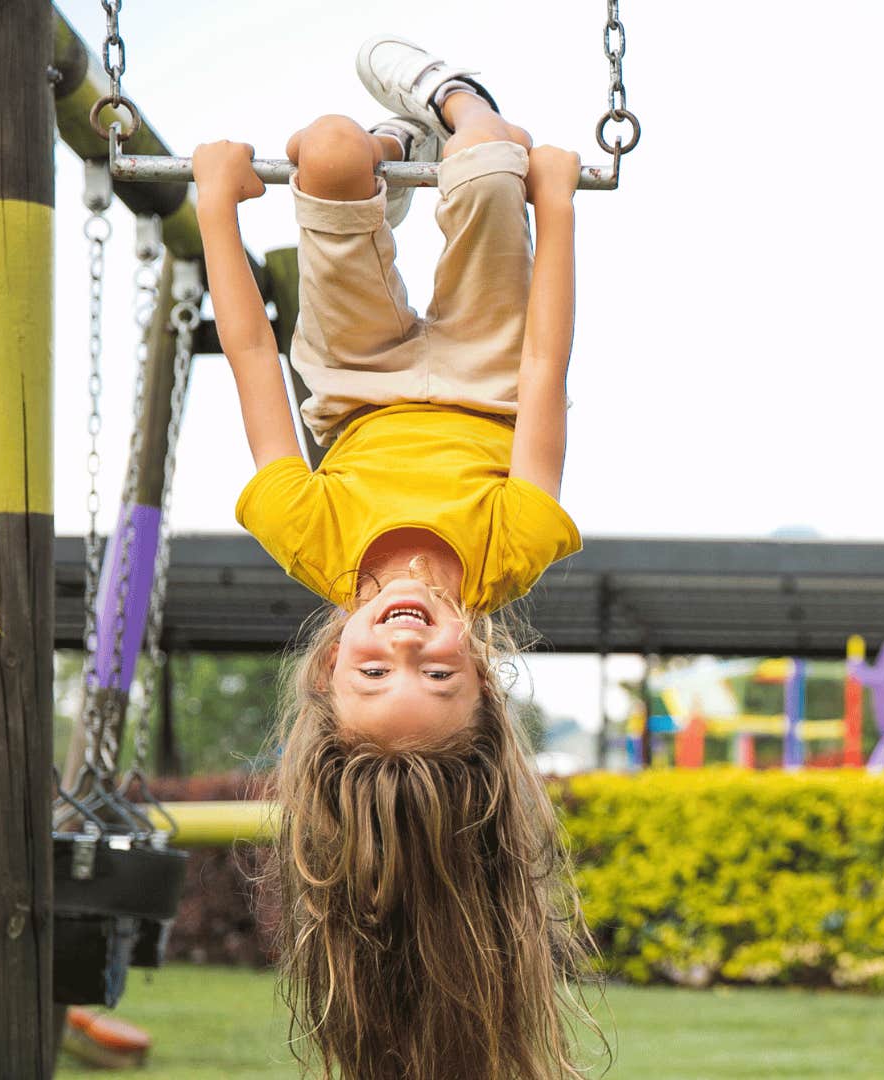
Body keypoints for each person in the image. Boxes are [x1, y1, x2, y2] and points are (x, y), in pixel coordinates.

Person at [193, 35, 594, 1080]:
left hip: (357, 376)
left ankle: (380, 158)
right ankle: (454, 107)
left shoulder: (311, 540)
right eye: (441, 674)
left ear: (330, 667)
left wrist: (217, 208)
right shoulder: (513, 549)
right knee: (499, 156)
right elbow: (547, 367)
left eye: (376, 672)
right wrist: (559, 211)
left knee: (322, 152)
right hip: (487, 365)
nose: (406, 647)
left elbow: (250, 361)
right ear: (484, 675)